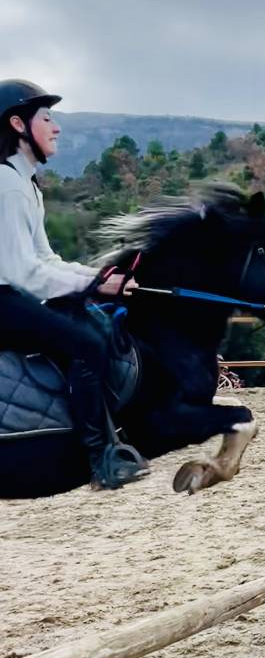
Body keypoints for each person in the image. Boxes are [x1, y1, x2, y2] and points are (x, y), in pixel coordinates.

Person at [0, 78, 149, 489]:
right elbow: (21, 272)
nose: (56, 126)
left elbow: (46, 259)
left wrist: (99, 278)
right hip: (4, 296)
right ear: (17, 124)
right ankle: (100, 460)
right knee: (85, 343)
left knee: (90, 323)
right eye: (46, 117)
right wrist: (94, 287)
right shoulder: (7, 186)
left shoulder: (26, 184)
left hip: (13, 292)